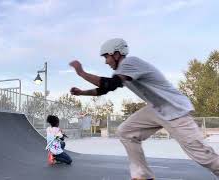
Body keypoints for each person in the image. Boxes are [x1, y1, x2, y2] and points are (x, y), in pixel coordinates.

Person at [69, 38, 219, 179]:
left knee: (204, 157)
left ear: (116, 54)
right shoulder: (121, 72)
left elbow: (110, 84)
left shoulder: (130, 63)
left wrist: (81, 73)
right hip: (156, 108)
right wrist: (82, 93)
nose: (106, 62)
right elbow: (103, 89)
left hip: (175, 109)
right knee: (126, 132)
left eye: (106, 57)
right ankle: (142, 176)